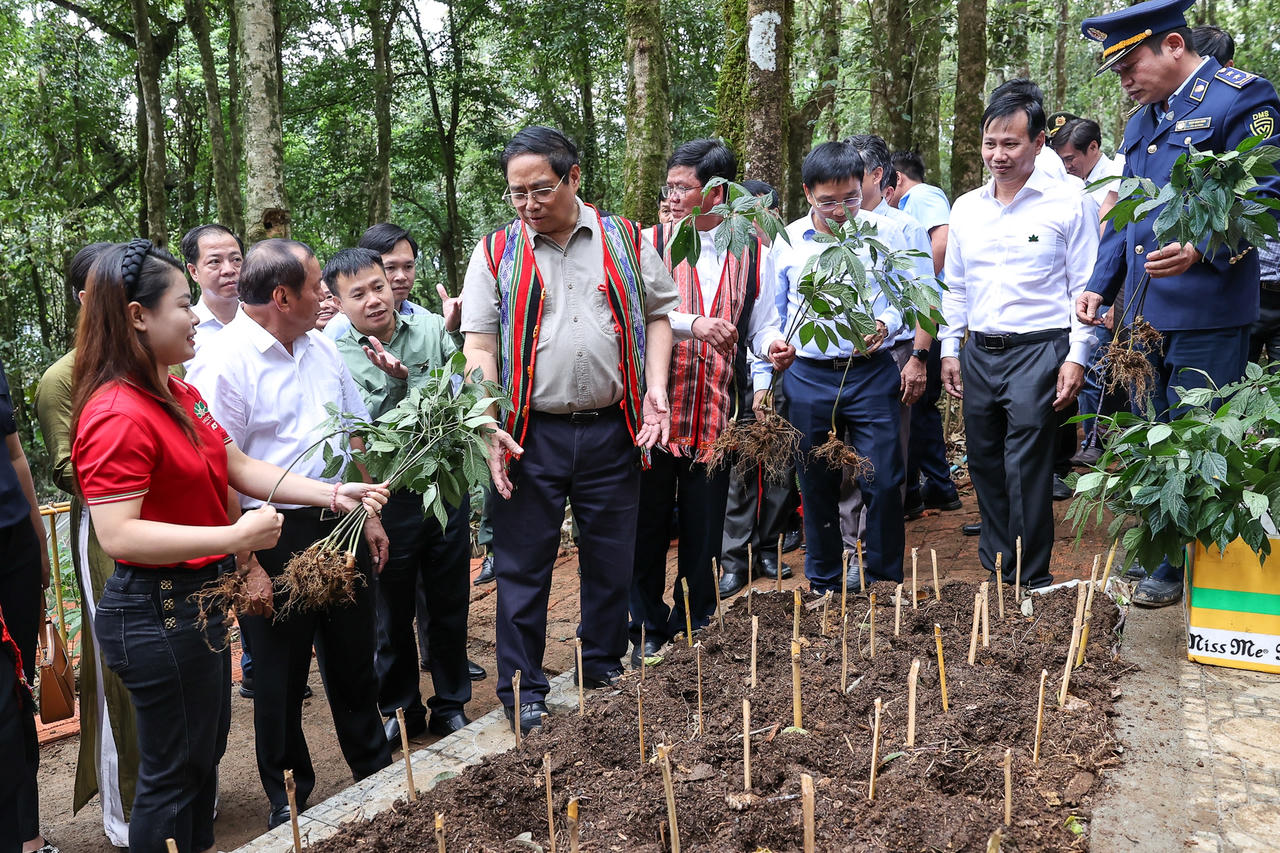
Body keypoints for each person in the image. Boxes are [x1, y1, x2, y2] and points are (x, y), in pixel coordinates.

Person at [70, 239, 388, 852]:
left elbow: (237, 464)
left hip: (197, 602)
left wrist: (332, 494)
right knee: (174, 776)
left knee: (198, 764)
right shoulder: (116, 413)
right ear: (138, 317)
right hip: (157, 609)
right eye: (182, 304)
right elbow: (118, 533)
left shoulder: (177, 393)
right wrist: (237, 540)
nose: (196, 316)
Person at [460, 126, 677, 734]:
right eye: (517, 193)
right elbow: (479, 344)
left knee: (611, 556)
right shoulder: (495, 252)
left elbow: (659, 314)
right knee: (523, 563)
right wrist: (486, 420)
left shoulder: (626, 238)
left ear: (574, 177)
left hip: (614, 426)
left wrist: (655, 388)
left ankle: (601, 663)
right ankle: (523, 688)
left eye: (541, 189)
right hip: (529, 433)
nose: (528, 203)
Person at [186, 239, 394, 829]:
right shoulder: (221, 364)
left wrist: (369, 512)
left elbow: (354, 432)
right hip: (270, 533)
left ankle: (375, 770)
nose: (326, 295)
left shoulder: (322, 347)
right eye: (316, 285)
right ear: (282, 297)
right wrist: (246, 562)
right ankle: (288, 796)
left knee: (354, 658)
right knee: (279, 674)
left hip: (342, 519)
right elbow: (222, 470)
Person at [1078, 0, 1280, 605]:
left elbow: (1265, 197)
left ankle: (1183, 568)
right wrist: (1100, 283)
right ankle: (1161, 548)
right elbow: (1127, 214)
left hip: (1207, 310)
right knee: (1151, 437)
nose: (1123, 80)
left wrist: (1201, 248)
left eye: (1129, 64)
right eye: (1116, 70)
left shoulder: (1242, 99)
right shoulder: (1143, 119)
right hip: (1144, 312)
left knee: (1196, 439)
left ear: (1172, 45)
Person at [629, 139, 792, 656]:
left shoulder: (755, 250)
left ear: (717, 192)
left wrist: (773, 348)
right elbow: (636, 313)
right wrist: (693, 323)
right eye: (669, 187)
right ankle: (645, 624)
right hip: (654, 412)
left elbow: (761, 324)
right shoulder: (649, 242)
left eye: (683, 188)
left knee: (704, 526)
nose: (672, 197)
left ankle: (695, 621)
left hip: (714, 413)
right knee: (648, 525)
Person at [939, 92, 1100, 591]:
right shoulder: (967, 208)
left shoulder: (1070, 202)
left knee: (1027, 465)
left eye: (1010, 143)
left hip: (1040, 350)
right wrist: (949, 347)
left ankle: (1031, 577)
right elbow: (955, 286)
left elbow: (1083, 288)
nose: (998, 155)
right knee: (984, 460)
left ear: (1039, 142)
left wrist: (1077, 356)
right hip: (979, 351)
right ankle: (997, 563)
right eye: (990, 143)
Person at [327, 247, 475, 742]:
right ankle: (400, 710)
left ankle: (451, 702)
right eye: (358, 294)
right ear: (337, 303)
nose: (374, 299)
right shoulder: (330, 350)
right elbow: (351, 430)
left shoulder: (431, 329)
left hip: (441, 485)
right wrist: (393, 387)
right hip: (383, 496)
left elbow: (455, 394)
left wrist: (409, 380)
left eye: (379, 286)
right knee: (389, 610)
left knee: (449, 600)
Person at [755, 141, 909, 593]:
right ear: (807, 193)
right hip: (808, 376)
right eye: (828, 201)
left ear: (865, 186)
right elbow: (768, 318)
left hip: (871, 371)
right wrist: (770, 355)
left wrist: (886, 322)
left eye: (851, 198)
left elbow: (905, 298)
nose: (841, 211)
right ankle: (824, 583)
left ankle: (884, 583)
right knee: (815, 482)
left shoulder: (885, 234)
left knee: (883, 479)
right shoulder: (786, 242)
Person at [35, 244, 136, 848]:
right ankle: (127, 816)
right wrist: (143, 476)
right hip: (103, 532)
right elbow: (66, 468)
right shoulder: (62, 378)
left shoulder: (147, 360)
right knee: (118, 667)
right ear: (87, 297)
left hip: (166, 526)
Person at [843, 134, 949, 537]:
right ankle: (848, 543)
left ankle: (874, 543)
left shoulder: (905, 228)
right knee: (844, 458)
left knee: (886, 459)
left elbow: (926, 297)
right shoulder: (830, 227)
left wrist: (918, 358)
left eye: (853, 172)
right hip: (839, 361)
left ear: (876, 175)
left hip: (893, 353)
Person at [719, 179, 803, 596]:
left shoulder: (784, 253)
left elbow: (774, 322)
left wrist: (769, 377)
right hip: (739, 374)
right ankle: (735, 558)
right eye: (743, 213)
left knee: (779, 464)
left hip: (783, 367)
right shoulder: (730, 257)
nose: (752, 221)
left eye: (760, 212)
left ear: (774, 213)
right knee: (740, 467)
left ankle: (770, 547)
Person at [890, 150, 964, 521]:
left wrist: (919, 287)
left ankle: (939, 484)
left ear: (898, 178)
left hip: (928, 317)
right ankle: (933, 487)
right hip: (923, 316)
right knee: (918, 407)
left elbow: (943, 239)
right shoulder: (910, 202)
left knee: (918, 405)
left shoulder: (922, 195)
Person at [1, 357, 55, 853]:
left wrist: (39, 544)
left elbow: (16, 455)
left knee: (19, 691)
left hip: (12, 545)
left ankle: (28, 835)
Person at [179, 224, 244, 364]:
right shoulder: (183, 331)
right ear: (194, 272)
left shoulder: (263, 322)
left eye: (236, 259)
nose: (229, 270)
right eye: (215, 261)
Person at [1049, 118, 1124, 216]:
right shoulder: (1070, 180)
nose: (1067, 166)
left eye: (1070, 158)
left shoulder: (1115, 181)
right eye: (1062, 160)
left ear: (1093, 147)